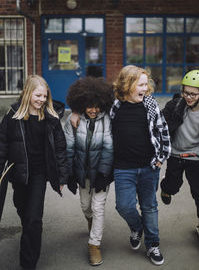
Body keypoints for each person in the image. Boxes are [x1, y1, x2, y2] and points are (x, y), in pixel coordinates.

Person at [0, 75, 68, 270]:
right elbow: (2, 145)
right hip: (18, 173)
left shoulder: (51, 118)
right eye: (38, 95)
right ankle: (29, 229)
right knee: (22, 208)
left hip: (40, 174)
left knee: (33, 219)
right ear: (28, 93)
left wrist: (62, 175)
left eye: (44, 96)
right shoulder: (13, 115)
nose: (41, 100)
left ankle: (28, 264)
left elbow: (60, 149)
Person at [110, 65, 171, 266]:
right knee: (124, 206)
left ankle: (153, 244)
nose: (145, 88)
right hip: (123, 168)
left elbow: (163, 132)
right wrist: (75, 112)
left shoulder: (150, 104)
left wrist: (161, 158)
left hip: (148, 166)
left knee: (149, 206)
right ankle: (137, 227)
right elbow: (90, 107)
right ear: (128, 85)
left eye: (146, 84)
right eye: (141, 84)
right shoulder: (115, 106)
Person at [64, 76, 113, 266]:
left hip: (100, 173)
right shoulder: (73, 120)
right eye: (89, 106)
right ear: (81, 104)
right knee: (86, 206)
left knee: (98, 207)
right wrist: (69, 173)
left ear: (102, 104)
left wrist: (103, 174)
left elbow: (109, 146)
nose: (93, 110)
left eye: (97, 106)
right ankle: (91, 222)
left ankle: (94, 245)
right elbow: (68, 147)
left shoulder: (106, 120)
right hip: (82, 173)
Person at [160, 69, 199, 237]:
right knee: (172, 186)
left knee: (198, 191)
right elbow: (160, 124)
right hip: (176, 155)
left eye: (193, 94)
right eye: (185, 92)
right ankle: (166, 188)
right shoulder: (175, 105)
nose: (188, 97)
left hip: (195, 157)